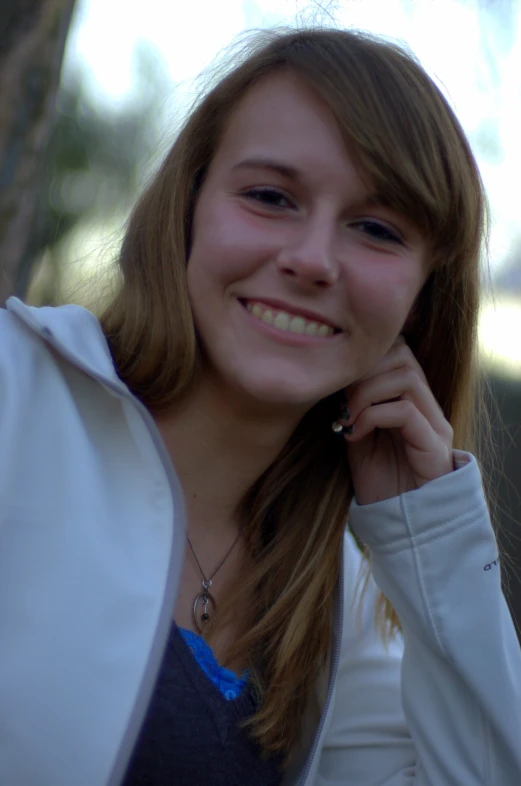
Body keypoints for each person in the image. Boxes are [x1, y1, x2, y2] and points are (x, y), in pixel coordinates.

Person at [0, 26, 520, 786]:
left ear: (421, 296)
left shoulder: (341, 606)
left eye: (375, 229)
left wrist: (430, 535)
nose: (311, 260)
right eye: (269, 197)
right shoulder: (16, 398)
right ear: (189, 208)